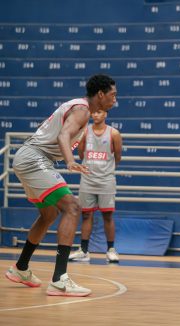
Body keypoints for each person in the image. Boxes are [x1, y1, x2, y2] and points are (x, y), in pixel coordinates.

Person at [4, 74, 117, 297]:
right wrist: (70, 161)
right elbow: (63, 135)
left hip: (31, 157)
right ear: (101, 94)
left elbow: (52, 129)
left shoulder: (77, 107)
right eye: (113, 95)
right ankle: (59, 280)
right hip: (34, 158)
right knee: (72, 207)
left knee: (49, 214)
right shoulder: (83, 110)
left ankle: (21, 268)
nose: (115, 100)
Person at [68, 109, 122, 263]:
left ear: (105, 114)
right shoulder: (85, 132)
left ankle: (111, 250)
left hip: (106, 181)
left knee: (107, 215)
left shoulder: (114, 134)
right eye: (94, 113)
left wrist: (105, 169)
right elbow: (80, 154)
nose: (96, 115)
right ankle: (84, 251)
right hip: (87, 180)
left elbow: (118, 157)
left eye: (99, 112)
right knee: (86, 215)